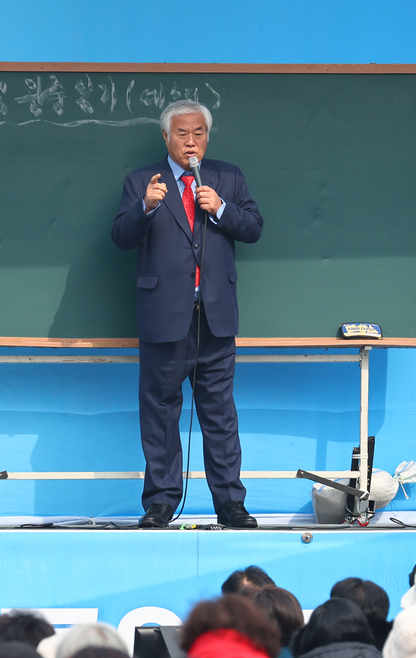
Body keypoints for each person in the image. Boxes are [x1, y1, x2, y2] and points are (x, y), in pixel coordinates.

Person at [111, 99, 264, 529]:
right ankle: (160, 503)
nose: (191, 142)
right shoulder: (142, 181)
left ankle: (230, 504)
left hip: (215, 317)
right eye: (182, 134)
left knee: (219, 414)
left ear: (207, 137)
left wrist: (221, 208)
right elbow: (120, 237)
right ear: (166, 137)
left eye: (198, 133)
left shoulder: (227, 178)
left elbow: (253, 228)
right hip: (163, 318)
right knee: (160, 414)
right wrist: (145, 208)